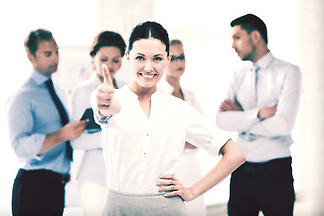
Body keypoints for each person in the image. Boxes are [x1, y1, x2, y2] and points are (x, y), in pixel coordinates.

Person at [92, 21, 246, 215]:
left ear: (167, 59)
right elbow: (105, 109)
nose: (148, 67)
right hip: (117, 209)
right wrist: (105, 102)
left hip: (168, 209)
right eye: (140, 58)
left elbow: (235, 154)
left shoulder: (179, 109)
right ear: (128, 57)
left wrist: (191, 191)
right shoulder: (110, 98)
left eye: (157, 58)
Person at [216, 14, 302, 216]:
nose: (232, 45)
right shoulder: (238, 75)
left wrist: (241, 118)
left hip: (275, 172)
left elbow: (283, 125)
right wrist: (258, 114)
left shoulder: (289, 72)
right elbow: (221, 120)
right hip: (241, 170)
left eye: (237, 37)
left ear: (255, 36)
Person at [6, 29, 87, 216]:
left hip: (57, 186)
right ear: (30, 57)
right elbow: (19, 146)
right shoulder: (22, 97)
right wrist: (61, 135)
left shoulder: (59, 91)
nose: (55, 58)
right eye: (48, 54)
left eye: (57, 52)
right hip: (33, 186)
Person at [70, 31, 127, 215]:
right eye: (104, 58)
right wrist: (113, 137)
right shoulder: (82, 91)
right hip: (94, 177)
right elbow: (77, 140)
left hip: (126, 176)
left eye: (116, 60)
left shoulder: (128, 90)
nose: (110, 65)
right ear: (93, 58)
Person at [158, 39, 206, 216]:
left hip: (193, 167)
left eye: (182, 57)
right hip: (170, 169)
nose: (179, 62)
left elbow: (203, 135)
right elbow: (159, 136)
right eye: (173, 58)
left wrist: (183, 138)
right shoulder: (158, 95)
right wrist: (187, 138)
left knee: (196, 210)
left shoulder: (191, 96)